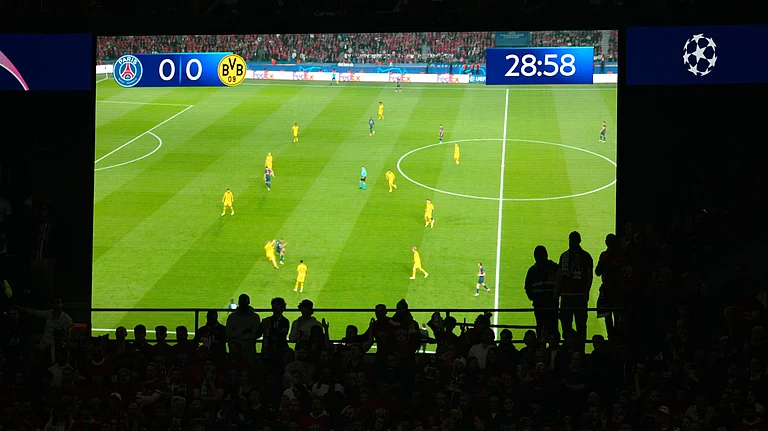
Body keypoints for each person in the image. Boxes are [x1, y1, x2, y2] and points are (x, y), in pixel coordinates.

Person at [556, 231, 594, 340]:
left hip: (579, 295)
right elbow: (560, 274)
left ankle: (580, 350)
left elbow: (589, 276)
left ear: (579, 241)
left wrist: (587, 291)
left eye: (574, 240)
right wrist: (557, 291)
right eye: (571, 239)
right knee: (566, 325)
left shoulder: (585, 256)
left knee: (580, 325)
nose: (572, 242)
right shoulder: (566, 256)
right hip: (567, 295)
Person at [525, 245, 559, 338]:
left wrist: (533, 298)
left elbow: (528, 287)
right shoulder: (554, 267)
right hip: (544, 304)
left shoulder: (533, 270)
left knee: (549, 328)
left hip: (547, 304)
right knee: (546, 328)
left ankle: (545, 348)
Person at [226, 294, 261, 363]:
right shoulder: (255, 317)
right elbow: (228, 333)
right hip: (240, 350)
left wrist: (237, 334)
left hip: (246, 350)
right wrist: (244, 332)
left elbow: (255, 334)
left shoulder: (232, 317)